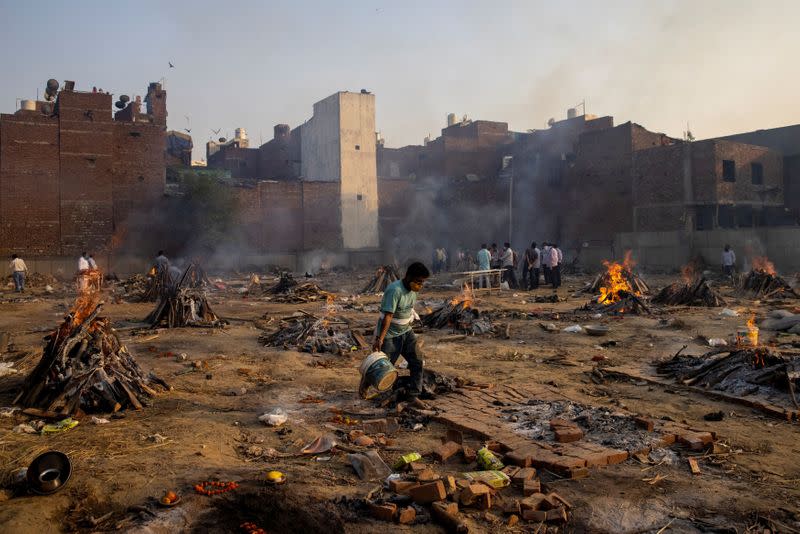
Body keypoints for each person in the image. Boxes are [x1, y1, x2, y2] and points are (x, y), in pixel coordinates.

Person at [372, 262, 430, 400]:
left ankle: (414, 394)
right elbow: (388, 316)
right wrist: (380, 338)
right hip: (390, 335)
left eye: (422, 283)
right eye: (418, 282)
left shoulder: (413, 291)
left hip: (406, 331)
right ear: (409, 277)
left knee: (417, 361)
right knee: (384, 367)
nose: (420, 285)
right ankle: (370, 387)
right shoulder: (394, 290)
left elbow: (408, 309)